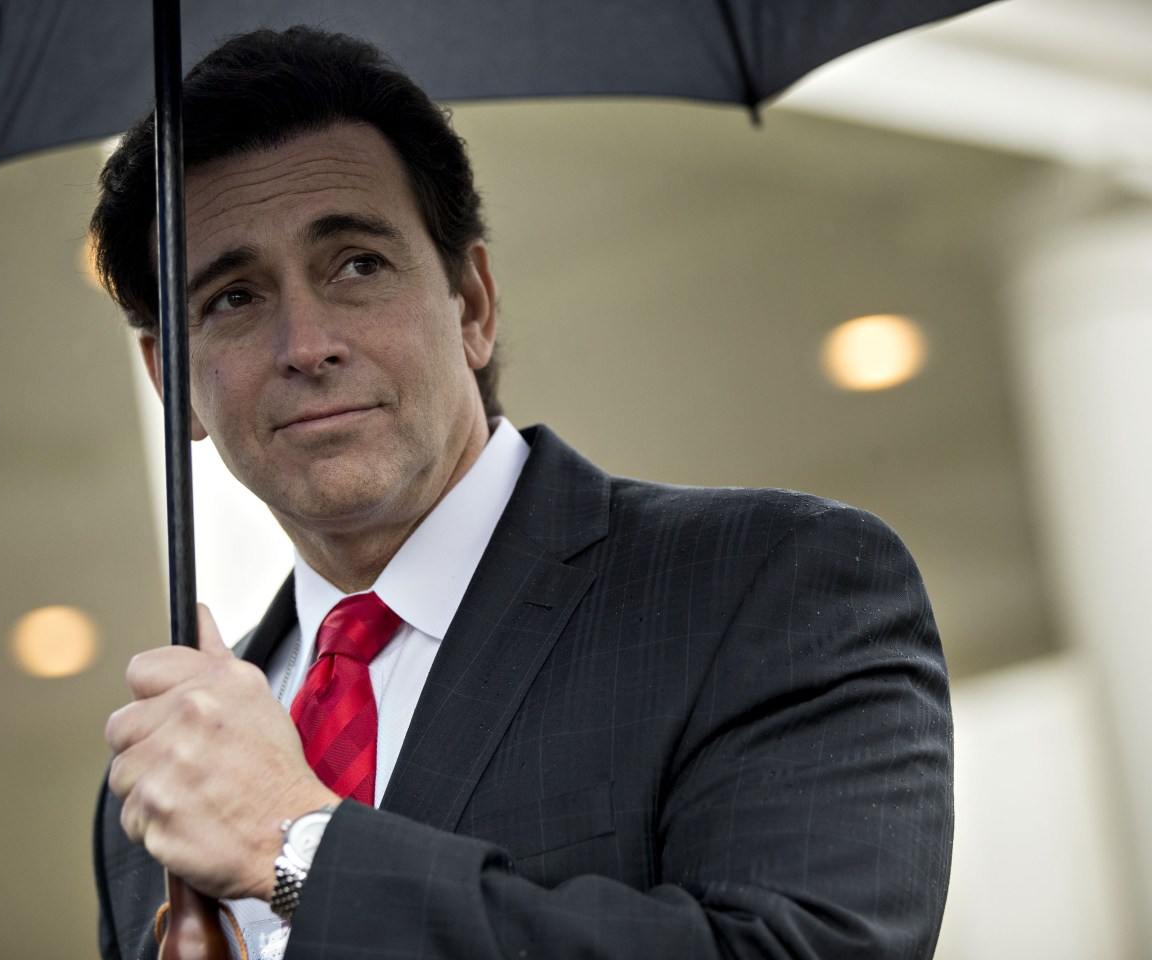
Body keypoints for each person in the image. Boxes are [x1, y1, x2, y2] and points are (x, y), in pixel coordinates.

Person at [91, 26, 953, 960]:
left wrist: (299, 848)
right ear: (170, 380)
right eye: (233, 298)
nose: (305, 343)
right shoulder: (159, 787)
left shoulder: (772, 587)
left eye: (356, 264)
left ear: (472, 303)